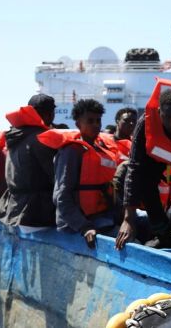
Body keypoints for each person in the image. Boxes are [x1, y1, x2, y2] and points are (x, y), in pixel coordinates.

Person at [114, 84, 171, 250]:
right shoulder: (144, 124)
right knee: (144, 183)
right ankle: (163, 234)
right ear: (159, 112)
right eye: (168, 117)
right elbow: (134, 169)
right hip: (155, 162)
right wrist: (128, 219)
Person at [44, 99, 120, 248]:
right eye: (90, 121)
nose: (96, 125)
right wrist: (84, 227)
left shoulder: (100, 150)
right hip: (77, 224)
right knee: (132, 243)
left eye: (98, 121)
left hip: (101, 216)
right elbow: (61, 196)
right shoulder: (71, 152)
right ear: (78, 123)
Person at [0, 95, 58, 231]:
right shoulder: (41, 137)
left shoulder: (15, 135)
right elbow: (56, 176)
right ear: (50, 114)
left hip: (15, 210)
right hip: (38, 214)